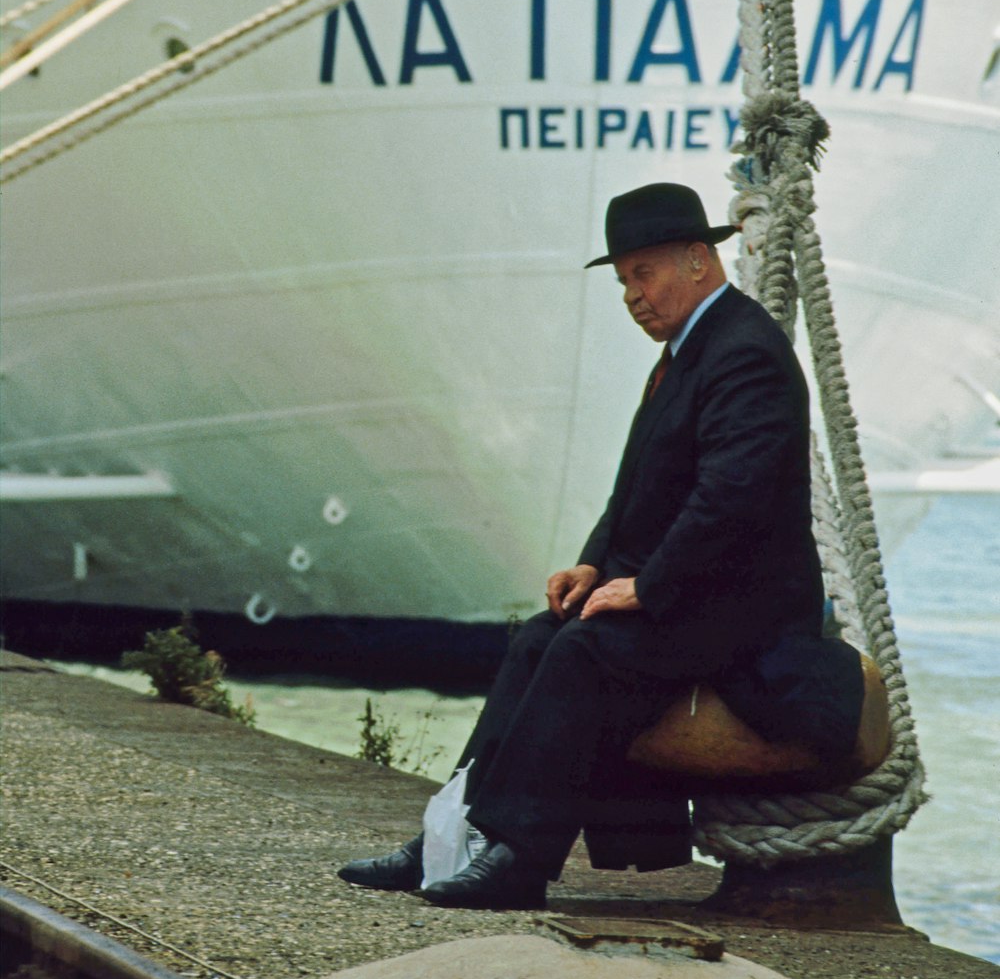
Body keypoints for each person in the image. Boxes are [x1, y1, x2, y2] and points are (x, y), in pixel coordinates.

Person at [338, 182, 864, 910]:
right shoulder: (692, 348)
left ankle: (518, 859)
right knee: (539, 638)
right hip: (695, 593)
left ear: (698, 260)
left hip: (741, 610)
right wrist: (594, 563)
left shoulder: (745, 351)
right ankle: (448, 837)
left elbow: (731, 496)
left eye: (644, 273)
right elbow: (638, 485)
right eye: (623, 281)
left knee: (585, 653)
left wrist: (649, 588)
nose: (633, 295)